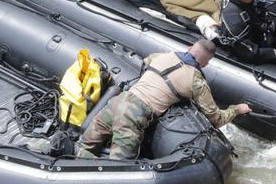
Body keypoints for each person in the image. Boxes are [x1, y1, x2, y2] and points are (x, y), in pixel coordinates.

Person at [76, 39, 251, 160]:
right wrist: (237, 109)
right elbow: (216, 119)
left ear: (190, 48)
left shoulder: (161, 56)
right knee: (119, 168)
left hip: (118, 101)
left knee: (83, 147)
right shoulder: (196, 80)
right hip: (134, 115)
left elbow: (145, 63)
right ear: (206, 63)